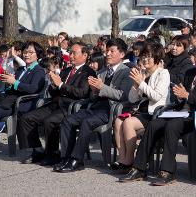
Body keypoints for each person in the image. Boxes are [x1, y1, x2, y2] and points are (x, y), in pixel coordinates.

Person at [119, 44, 196, 185]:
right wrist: (179, 96)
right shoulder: (191, 72)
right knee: (154, 124)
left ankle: (168, 171)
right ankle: (139, 168)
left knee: (172, 125)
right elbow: (180, 93)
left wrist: (187, 96)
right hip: (181, 111)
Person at [53, 39, 132, 172]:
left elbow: (122, 96)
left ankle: (77, 160)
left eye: (112, 51)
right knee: (68, 120)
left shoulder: (126, 72)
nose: (108, 54)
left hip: (111, 110)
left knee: (87, 122)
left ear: (122, 54)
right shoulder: (102, 72)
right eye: (107, 51)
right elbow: (92, 96)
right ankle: (66, 157)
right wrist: (94, 91)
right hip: (95, 107)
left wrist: (102, 87)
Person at [17, 42, 96, 166]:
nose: (71, 56)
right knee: (26, 118)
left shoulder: (88, 72)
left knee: (50, 121)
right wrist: (53, 84)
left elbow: (82, 93)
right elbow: (55, 91)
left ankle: (52, 153)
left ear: (85, 55)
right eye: (70, 53)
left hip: (71, 107)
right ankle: (37, 150)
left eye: (74, 53)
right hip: (56, 103)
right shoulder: (67, 70)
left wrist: (60, 85)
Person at [0, 41, 46, 158]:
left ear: (37, 55)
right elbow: (14, 87)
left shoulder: (38, 71)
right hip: (9, 101)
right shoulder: (21, 69)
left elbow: (33, 88)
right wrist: (8, 82)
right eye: (25, 52)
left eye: (31, 52)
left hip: (23, 103)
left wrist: (14, 82)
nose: (27, 54)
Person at [112, 42, 170, 173]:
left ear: (157, 59)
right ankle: (122, 158)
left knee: (128, 123)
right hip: (141, 111)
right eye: (144, 56)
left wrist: (141, 83)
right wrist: (135, 85)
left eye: (149, 56)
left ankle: (130, 161)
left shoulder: (163, 73)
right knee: (118, 121)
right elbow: (133, 99)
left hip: (155, 113)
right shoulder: (142, 73)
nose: (145, 59)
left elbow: (156, 96)